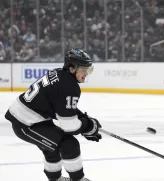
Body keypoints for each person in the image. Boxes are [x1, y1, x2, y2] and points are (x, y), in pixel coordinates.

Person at [5, 49, 102, 181]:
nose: (86, 74)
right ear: (72, 68)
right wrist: (88, 126)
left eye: (88, 70)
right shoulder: (69, 86)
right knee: (69, 144)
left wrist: (85, 120)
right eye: (83, 70)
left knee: (51, 147)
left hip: (30, 118)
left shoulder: (60, 74)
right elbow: (69, 126)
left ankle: (55, 179)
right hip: (26, 123)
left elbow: (63, 107)